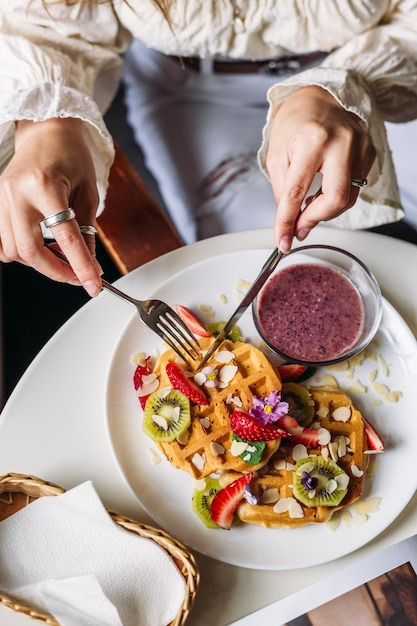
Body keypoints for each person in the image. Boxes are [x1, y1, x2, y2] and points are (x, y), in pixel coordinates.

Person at [0, 1, 416, 298]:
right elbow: (46, 27)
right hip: (194, 88)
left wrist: (342, 89)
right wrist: (46, 124)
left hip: (383, 65)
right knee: (259, 277)